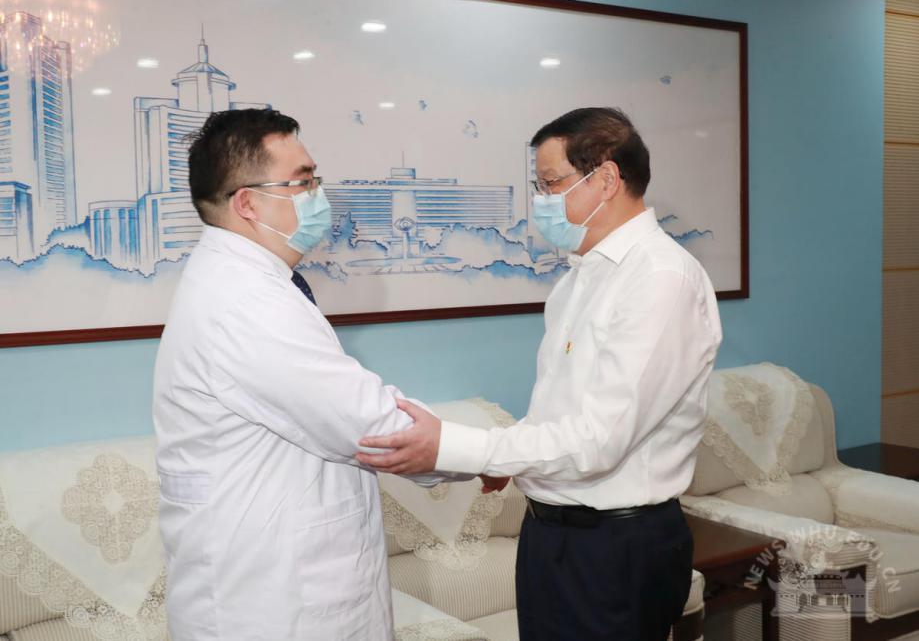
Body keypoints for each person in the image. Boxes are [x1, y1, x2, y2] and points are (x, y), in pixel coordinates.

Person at [358, 107, 723, 640]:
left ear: (606, 179)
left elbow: (599, 440)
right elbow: (561, 410)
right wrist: (507, 460)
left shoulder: (660, 279)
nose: (541, 201)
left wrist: (458, 447)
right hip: (550, 534)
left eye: (551, 184)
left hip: (615, 548)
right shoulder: (579, 278)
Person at [153, 108, 460, 641]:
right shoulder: (246, 302)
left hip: (285, 585)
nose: (319, 195)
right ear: (247, 203)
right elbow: (366, 422)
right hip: (269, 605)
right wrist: (483, 453)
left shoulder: (251, 283)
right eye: (303, 182)